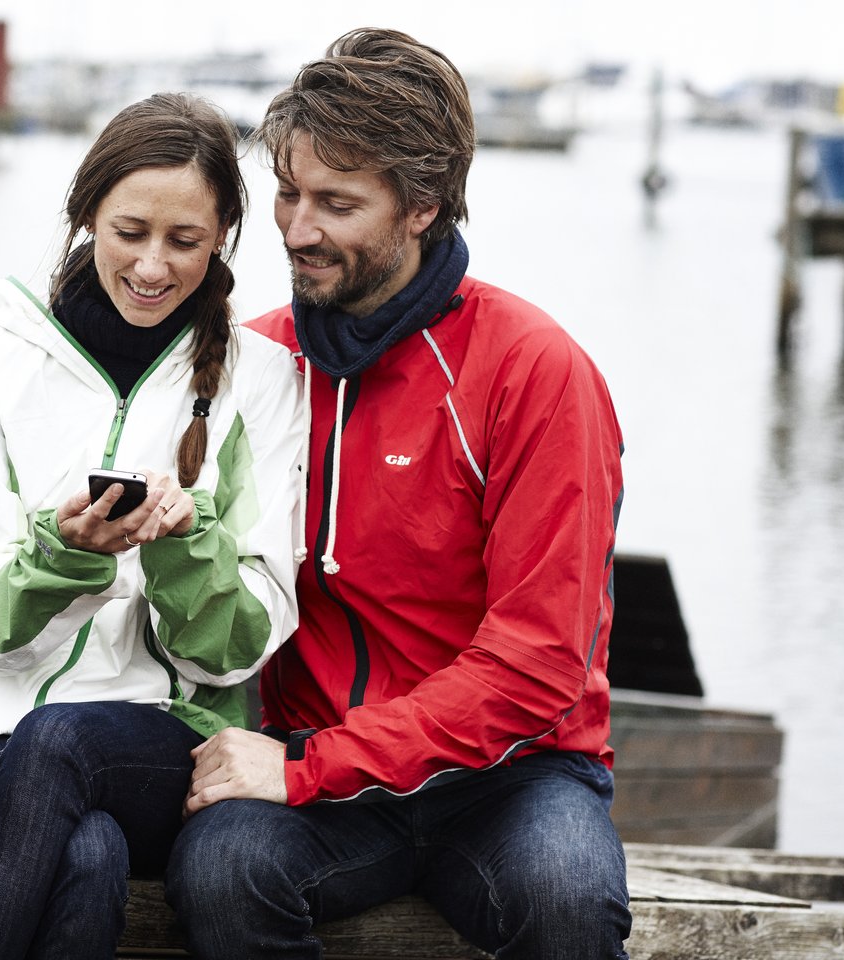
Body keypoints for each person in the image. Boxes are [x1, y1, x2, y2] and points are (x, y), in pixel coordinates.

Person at [166, 28, 633, 960]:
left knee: (567, 899)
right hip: (321, 773)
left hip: (515, 778)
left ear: (422, 205)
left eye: (336, 204)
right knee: (219, 872)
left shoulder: (534, 371)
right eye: (289, 195)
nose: (297, 230)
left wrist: (309, 767)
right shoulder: (258, 364)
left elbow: (539, 662)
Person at [0, 92, 304, 960]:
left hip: (167, 744)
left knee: (64, 740)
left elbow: (237, 653)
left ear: (224, 241)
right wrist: (60, 555)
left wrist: (179, 545)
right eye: (131, 231)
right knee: (87, 857)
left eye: (186, 241)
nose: (153, 267)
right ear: (85, 212)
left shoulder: (265, 382)